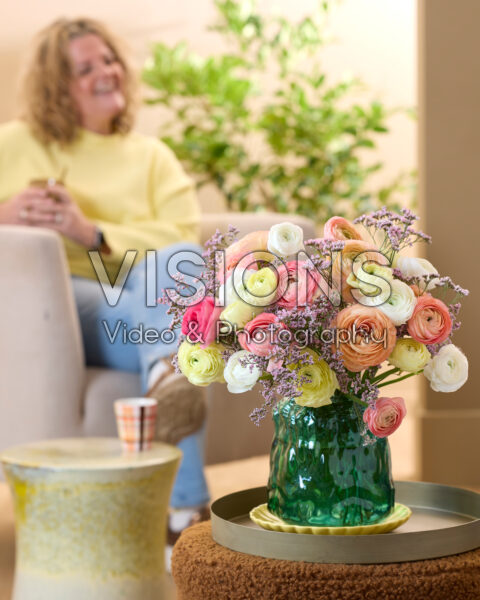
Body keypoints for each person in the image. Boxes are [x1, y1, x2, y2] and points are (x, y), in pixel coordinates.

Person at [0, 17, 209, 552]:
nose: (105, 73)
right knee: (173, 331)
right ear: (56, 87)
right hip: (64, 306)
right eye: (84, 68)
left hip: (138, 314)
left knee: (175, 262)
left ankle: (168, 376)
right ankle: (187, 510)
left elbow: (185, 236)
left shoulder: (151, 156)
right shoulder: (15, 143)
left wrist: (90, 231)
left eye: (109, 60)